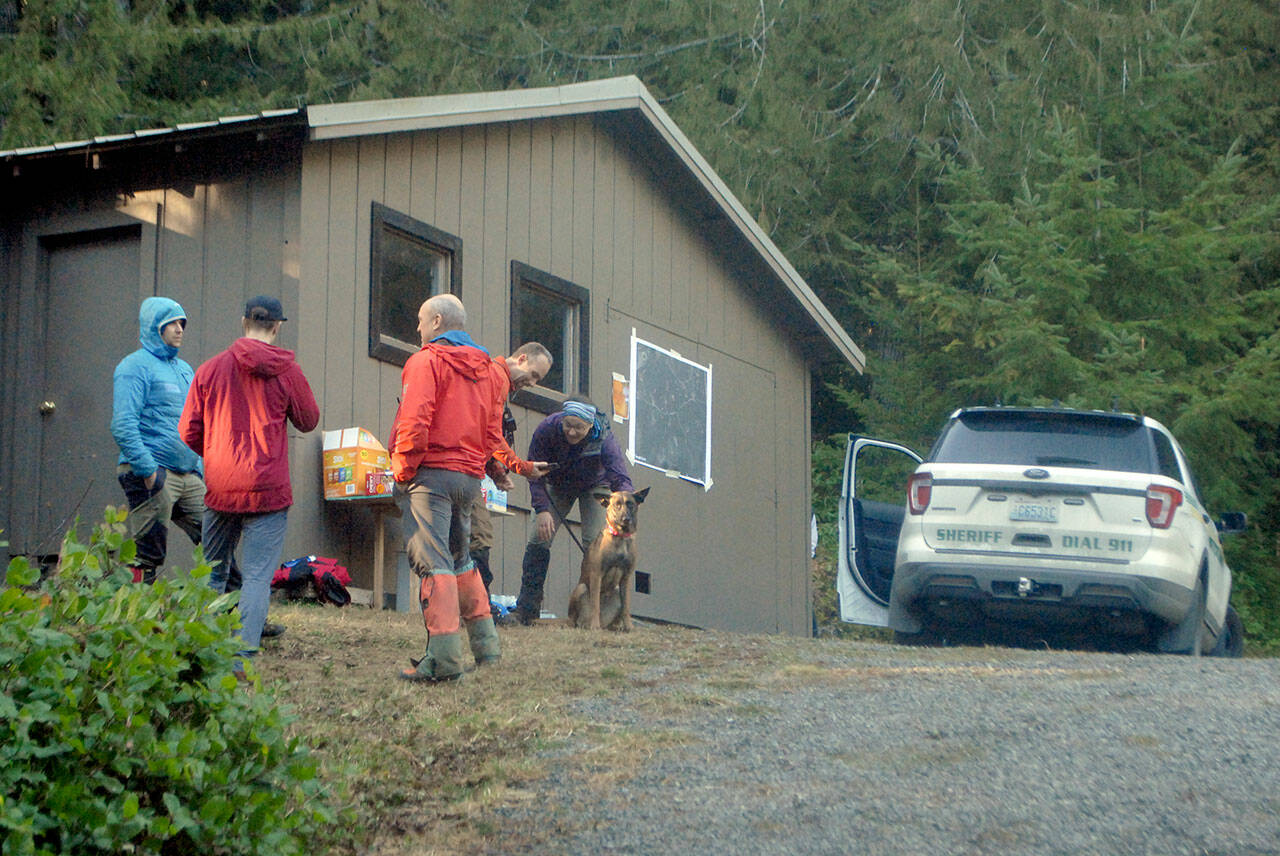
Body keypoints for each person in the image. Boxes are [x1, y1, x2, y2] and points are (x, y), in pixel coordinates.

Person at [390, 294, 551, 682]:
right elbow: (491, 433)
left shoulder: (425, 361)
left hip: (431, 476)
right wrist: (495, 471)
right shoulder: (486, 373)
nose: (417, 327)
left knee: (435, 564)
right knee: (462, 561)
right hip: (467, 481)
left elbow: (415, 421)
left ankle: (442, 662)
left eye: (421, 319)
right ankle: (486, 647)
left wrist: (402, 470)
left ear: (438, 322)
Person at [179, 295, 319, 674]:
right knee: (257, 576)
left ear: (244, 322)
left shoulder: (209, 370)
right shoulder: (288, 372)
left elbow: (188, 431)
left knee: (212, 569)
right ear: (277, 327)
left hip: (220, 488)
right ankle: (242, 657)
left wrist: (214, 454)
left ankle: (202, 647)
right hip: (268, 489)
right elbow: (308, 420)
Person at [508, 396, 634, 626]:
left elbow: (620, 478)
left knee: (595, 543)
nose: (572, 432)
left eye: (579, 428)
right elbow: (534, 473)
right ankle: (527, 609)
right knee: (538, 539)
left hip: (595, 486)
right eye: (568, 425)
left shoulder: (605, 440)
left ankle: (590, 613)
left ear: (590, 425)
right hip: (557, 484)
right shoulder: (547, 429)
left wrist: (627, 510)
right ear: (561, 419)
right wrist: (542, 509)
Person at [111, 297, 206, 585]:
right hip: (152, 473)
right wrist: (149, 471)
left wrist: (198, 469)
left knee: (217, 539)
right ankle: (137, 620)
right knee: (147, 554)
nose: (180, 329)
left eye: (182, 323)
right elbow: (123, 424)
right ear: (155, 327)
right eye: (172, 324)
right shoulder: (133, 367)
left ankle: (239, 617)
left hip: (188, 475)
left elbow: (198, 423)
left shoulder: (185, 369)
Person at [469, 345, 555, 613]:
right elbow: (493, 436)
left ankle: (472, 607)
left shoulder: (491, 376)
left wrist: (495, 471)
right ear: (521, 358)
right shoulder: (497, 378)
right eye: (533, 375)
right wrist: (522, 467)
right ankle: (479, 609)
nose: (532, 383)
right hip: (460, 472)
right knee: (479, 538)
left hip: (466, 468)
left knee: (470, 537)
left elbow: (478, 432)